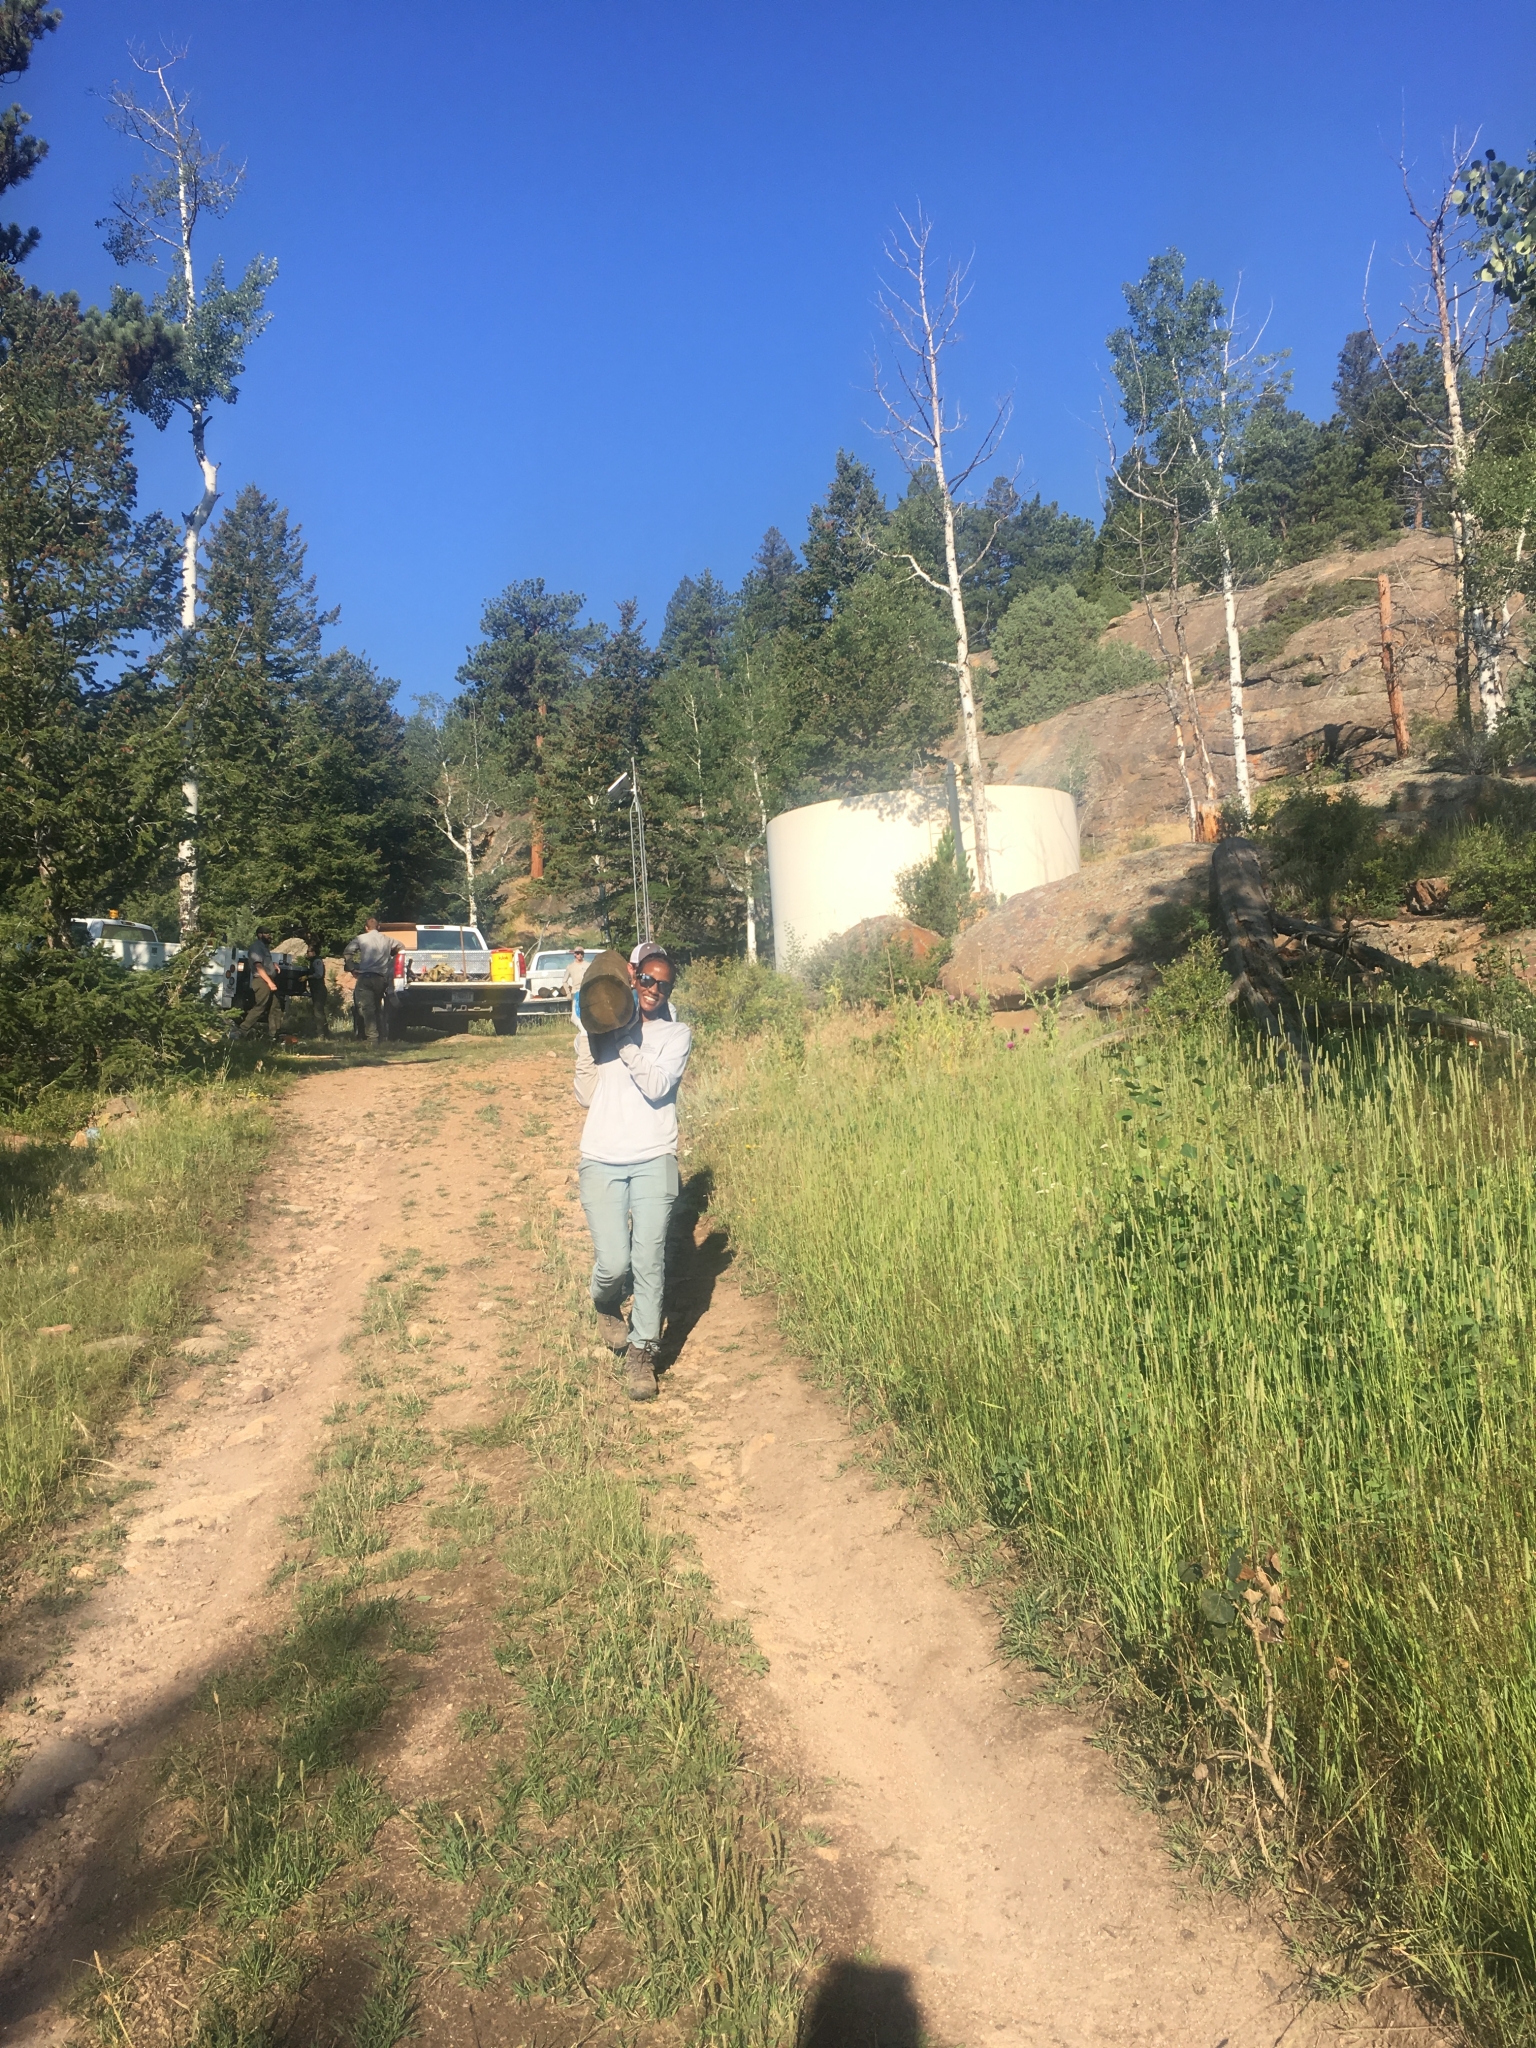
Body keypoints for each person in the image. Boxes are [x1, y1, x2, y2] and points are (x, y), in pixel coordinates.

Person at [573, 941, 690, 1403]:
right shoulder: (602, 1023)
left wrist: (627, 1046)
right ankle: (604, 1301)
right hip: (601, 1156)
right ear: (631, 975)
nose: (653, 990)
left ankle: (643, 1351)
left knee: (648, 1260)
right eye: (646, 979)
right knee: (614, 1264)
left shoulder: (675, 1034)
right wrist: (588, 1037)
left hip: (654, 1157)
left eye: (663, 985)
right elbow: (585, 1095)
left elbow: (659, 1086)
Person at [344, 916, 395, 1046]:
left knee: (367, 1008)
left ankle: (372, 1039)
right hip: (382, 978)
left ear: (366, 928)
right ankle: (383, 1036)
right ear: (378, 927)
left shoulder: (361, 938)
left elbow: (348, 952)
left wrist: (351, 968)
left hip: (366, 977)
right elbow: (401, 947)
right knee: (378, 1007)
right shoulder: (388, 939)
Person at [237, 928, 283, 1039]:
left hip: (268, 980)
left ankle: (274, 1034)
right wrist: (269, 983)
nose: (270, 936)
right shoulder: (256, 947)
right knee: (260, 1006)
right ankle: (242, 1030)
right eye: (267, 934)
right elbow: (258, 966)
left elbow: (264, 963)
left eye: (270, 933)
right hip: (262, 981)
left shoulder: (264, 948)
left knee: (275, 1006)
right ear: (259, 935)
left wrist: (273, 964)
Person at [561, 946, 587, 1024]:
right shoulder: (570, 967)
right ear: (574, 954)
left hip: (586, 992)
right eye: (577, 953)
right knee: (575, 1015)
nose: (579, 955)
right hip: (576, 992)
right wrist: (568, 993)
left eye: (581, 953)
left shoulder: (588, 965)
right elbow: (564, 981)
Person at [307, 943, 329, 1038]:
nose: (307, 954)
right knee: (318, 1011)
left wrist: (308, 977)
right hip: (316, 989)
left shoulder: (317, 961)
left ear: (313, 952)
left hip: (319, 989)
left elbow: (319, 974)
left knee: (318, 1012)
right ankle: (324, 1033)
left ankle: (322, 1034)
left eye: (308, 952)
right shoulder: (313, 961)